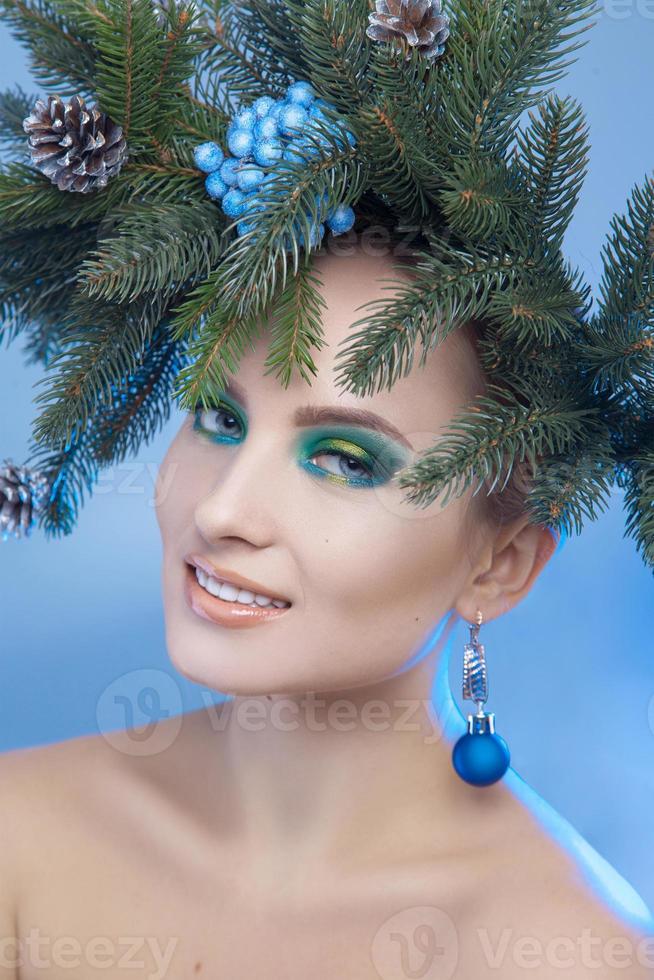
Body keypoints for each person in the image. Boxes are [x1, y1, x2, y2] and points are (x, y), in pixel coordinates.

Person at [0, 242, 651, 980]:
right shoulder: (16, 834)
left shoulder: (573, 955)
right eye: (219, 417)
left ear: (499, 565)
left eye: (343, 459)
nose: (221, 510)